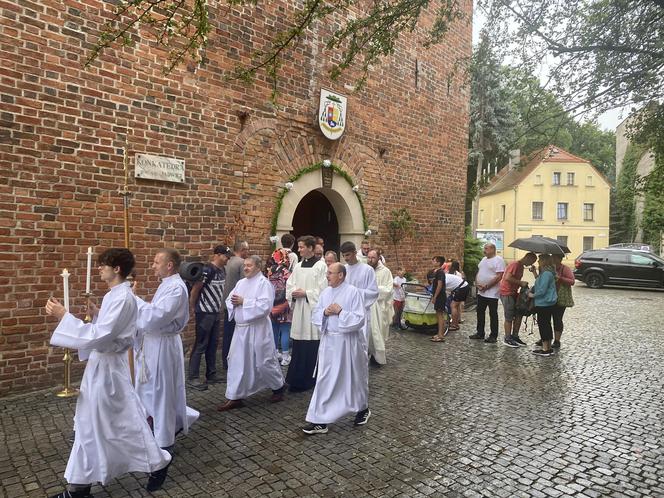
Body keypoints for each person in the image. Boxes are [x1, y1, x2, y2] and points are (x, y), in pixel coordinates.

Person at [45, 249, 172, 497]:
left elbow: (102, 336)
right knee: (92, 424)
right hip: (102, 366)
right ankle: (80, 487)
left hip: (109, 371)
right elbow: (108, 328)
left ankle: (157, 462)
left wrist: (64, 316)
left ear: (117, 269)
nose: (99, 269)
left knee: (120, 422)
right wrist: (97, 314)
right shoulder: (114, 295)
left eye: (103, 265)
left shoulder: (123, 297)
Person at [134, 248, 198, 451]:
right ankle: (154, 426)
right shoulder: (167, 285)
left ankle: (164, 439)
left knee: (161, 391)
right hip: (154, 344)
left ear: (169, 265)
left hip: (164, 345)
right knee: (150, 388)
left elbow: (156, 316)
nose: (152, 266)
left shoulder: (176, 288)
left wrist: (133, 298)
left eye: (155, 262)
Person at [302, 263, 370, 434]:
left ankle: (362, 408)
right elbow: (316, 315)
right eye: (327, 273)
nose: (327, 276)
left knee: (352, 378)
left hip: (347, 343)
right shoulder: (325, 293)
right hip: (329, 343)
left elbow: (359, 319)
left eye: (330, 273)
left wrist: (340, 312)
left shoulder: (353, 292)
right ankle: (320, 420)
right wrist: (325, 313)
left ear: (341, 275)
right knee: (325, 379)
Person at [218, 256, 286, 411]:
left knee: (263, 361)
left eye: (249, 265)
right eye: (245, 265)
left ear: (258, 267)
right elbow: (230, 299)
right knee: (236, 361)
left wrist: (244, 302)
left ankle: (278, 387)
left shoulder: (264, 284)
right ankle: (235, 396)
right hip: (241, 329)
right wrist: (234, 303)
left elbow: (265, 306)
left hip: (258, 329)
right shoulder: (241, 283)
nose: (246, 268)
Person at [285, 235, 327, 392]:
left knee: (311, 345)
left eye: (302, 247)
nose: (299, 249)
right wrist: (293, 293)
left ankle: (309, 380)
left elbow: (323, 290)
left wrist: (306, 294)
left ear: (310, 248)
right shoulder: (298, 266)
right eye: (299, 246)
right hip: (300, 310)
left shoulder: (321, 266)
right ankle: (295, 379)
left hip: (312, 311)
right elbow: (290, 284)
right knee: (298, 345)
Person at [187, 245, 231, 391]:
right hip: (204, 313)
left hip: (215, 313)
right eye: (225, 256)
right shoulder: (207, 270)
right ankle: (192, 377)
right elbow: (196, 289)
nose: (227, 259)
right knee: (200, 344)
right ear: (217, 255)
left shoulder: (222, 270)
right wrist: (193, 308)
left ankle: (211, 374)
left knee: (213, 344)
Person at [340, 241, 379, 347]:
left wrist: (354, 293)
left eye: (347, 255)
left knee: (360, 345)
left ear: (355, 252)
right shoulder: (343, 269)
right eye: (343, 256)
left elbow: (373, 292)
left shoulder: (367, 270)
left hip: (361, 313)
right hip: (345, 313)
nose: (346, 258)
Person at [498, 252, 538, 348]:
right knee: (509, 315)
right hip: (506, 292)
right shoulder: (515, 264)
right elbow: (507, 278)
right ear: (527, 258)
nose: (532, 264)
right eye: (532, 261)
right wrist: (520, 282)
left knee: (519, 314)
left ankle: (515, 336)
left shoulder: (520, 266)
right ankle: (507, 338)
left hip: (513, 292)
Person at [469, 243, 506, 343]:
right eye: (484, 248)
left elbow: (499, 276)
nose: (484, 250)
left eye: (486, 248)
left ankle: (493, 335)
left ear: (493, 249)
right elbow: (479, 271)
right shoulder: (483, 259)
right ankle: (480, 332)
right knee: (480, 312)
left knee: (493, 314)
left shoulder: (498, 260)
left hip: (492, 292)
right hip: (481, 292)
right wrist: (477, 283)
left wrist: (487, 286)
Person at [222, 240, 249, 370]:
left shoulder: (227, 261)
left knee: (227, 333)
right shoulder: (241, 263)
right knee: (234, 334)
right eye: (247, 250)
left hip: (226, 302)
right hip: (236, 303)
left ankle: (225, 360)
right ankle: (231, 360)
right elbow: (246, 283)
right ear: (242, 249)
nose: (248, 252)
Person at [366, 249, 394, 365]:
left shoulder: (385, 272)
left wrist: (374, 290)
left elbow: (388, 289)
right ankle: (366, 353)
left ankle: (376, 357)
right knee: (368, 331)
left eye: (372, 258)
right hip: (367, 306)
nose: (370, 260)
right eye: (368, 257)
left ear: (378, 258)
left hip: (380, 306)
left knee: (378, 333)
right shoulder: (365, 270)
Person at [528, 254, 558, 356]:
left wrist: (532, 295)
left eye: (540, 260)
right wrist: (534, 272)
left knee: (543, 325)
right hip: (548, 303)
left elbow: (542, 290)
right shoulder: (547, 273)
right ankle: (548, 347)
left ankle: (545, 349)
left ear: (545, 261)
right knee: (547, 324)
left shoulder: (546, 274)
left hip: (544, 303)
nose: (538, 261)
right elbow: (540, 282)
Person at [267, 248, 293, 366]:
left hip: (273, 303)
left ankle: (275, 352)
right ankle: (286, 355)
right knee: (285, 330)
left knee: (274, 329)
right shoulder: (287, 272)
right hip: (284, 304)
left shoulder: (270, 271)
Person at [547, 253, 575, 349]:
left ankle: (557, 340)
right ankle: (547, 338)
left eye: (554, 257)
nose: (552, 259)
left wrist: (561, 278)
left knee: (557, 319)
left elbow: (572, 281)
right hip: (549, 297)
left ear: (559, 259)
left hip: (560, 297)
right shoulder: (549, 268)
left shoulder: (565, 269)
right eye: (552, 257)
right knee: (546, 319)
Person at [430, 256, 448, 342]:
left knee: (440, 315)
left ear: (438, 263)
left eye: (434, 261)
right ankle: (439, 333)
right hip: (438, 296)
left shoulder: (440, 272)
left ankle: (441, 335)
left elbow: (440, 285)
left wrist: (435, 296)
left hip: (440, 296)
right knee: (438, 315)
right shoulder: (436, 272)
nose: (432, 262)